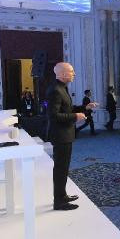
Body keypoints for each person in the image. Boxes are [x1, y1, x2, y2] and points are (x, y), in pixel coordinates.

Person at [46, 62, 97, 210]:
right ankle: (59, 201)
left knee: (64, 168)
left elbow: (67, 108)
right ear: (62, 74)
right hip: (60, 135)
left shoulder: (62, 88)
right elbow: (53, 116)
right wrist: (75, 116)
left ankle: (62, 195)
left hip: (65, 134)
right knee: (60, 168)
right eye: (71, 71)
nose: (74, 74)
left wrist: (84, 107)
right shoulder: (55, 90)